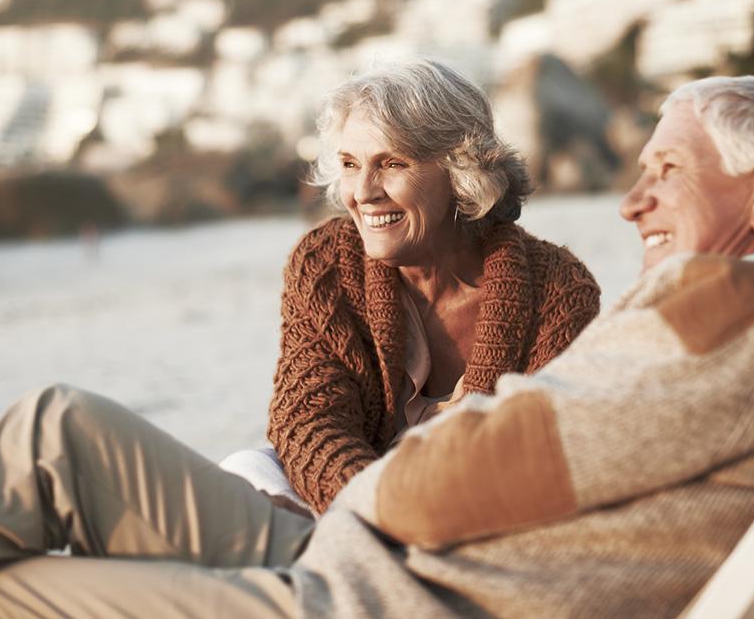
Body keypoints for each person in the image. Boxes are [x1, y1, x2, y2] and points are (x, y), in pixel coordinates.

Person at [0, 75, 754, 619]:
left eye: (663, 171)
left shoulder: (726, 318)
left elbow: (480, 471)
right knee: (54, 427)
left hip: (381, 590)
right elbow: (352, 428)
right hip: (361, 548)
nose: (633, 201)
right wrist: (392, 474)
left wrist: (399, 474)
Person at [224, 59, 601, 513]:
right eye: (349, 164)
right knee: (244, 470)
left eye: (392, 164)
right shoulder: (325, 261)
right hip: (358, 507)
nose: (363, 192)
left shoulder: (557, 288)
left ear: (462, 170)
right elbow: (308, 423)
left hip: (474, 516)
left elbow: (545, 452)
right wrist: (382, 514)